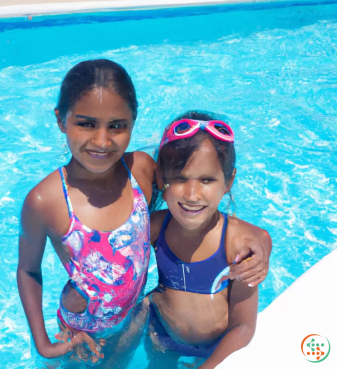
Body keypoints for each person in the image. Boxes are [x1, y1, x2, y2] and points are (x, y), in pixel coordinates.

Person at [17, 60, 272, 365]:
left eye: (116, 125)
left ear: (133, 121)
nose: (101, 140)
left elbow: (190, 200)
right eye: (86, 123)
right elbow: (28, 271)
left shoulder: (140, 171)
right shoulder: (44, 200)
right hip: (82, 328)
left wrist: (261, 242)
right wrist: (42, 342)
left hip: (133, 316)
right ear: (61, 121)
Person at [144, 111, 267, 369]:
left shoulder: (238, 244)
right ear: (161, 178)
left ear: (228, 182)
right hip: (161, 335)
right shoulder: (155, 227)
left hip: (216, 349)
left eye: (207, 179)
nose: (192, 194)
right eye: (180, 178)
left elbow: (243, 326)